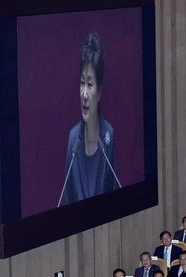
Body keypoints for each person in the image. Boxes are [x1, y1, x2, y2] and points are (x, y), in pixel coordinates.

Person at [62, 33, 117, 204]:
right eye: (81, 83)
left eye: (90, 84)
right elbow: (67, 197)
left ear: (99, 92)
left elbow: (115, 193)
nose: (84, 94)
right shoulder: (73, 138)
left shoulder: (108, 135)